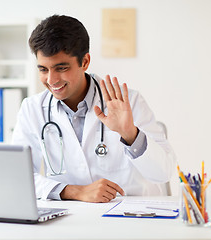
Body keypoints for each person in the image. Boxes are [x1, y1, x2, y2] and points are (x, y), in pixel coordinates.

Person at [11, 15, 176, 203]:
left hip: (130, 216)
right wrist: (73, 191)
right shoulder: (32, 109)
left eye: (61, 68)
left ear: (85, 62)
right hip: (70, 217)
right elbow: (18, 176)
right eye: (43, 69)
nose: (51, 80)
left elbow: (164, 172)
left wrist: (130, 133)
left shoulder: (129, 101)